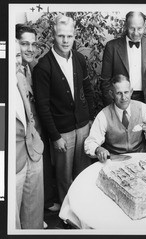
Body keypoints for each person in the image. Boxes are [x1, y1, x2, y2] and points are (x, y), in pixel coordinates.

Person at [32, 15, 95, 203]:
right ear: (53, 36)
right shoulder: (43, 67)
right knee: (64, 178)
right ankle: (67, 214)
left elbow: (88, 89)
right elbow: (43, 107)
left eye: (69, 36)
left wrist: (90, 118)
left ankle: (83, 207)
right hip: (62, 133)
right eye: (61, 36)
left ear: (74, 35)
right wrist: (55, 136)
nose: (65, 40)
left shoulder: (79, 59)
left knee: (83, 172)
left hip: (83, 126)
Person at [16, 24, 60, 213]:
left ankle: (43, 208)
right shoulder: (12, 72)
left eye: (33, 45)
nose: (30, 49)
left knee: (36, 185)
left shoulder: (34, 67)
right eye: (25, 44)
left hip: (38, 133)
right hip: (21, 140)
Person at [85, 74, 146, 162]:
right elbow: (90, 143)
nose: (123, 97)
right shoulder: (104, 115)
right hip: (115, 161)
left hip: (140, 159)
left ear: (131, 92)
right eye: (119, 93)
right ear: (111, 94)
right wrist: (98, 149)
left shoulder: (142, 108)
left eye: (126, 92)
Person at [101, 11, 146, 110]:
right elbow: (105, 81)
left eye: (139, 28)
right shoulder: (112, 47)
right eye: (132, 28)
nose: (136, 33)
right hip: (119, 99)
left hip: (145, 101)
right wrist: (111, 107)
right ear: (126, 26)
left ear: (144, 26)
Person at [15, 40, 44, 229]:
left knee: (33, 212)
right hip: (13, 162)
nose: (17, 61)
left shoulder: (20, 76)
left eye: (17, 56)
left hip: (32, 151)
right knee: (12, 218)